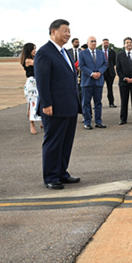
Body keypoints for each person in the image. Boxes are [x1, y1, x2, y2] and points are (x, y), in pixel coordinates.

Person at [34, 19, 82, 189]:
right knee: (53, 143)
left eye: (69, 31)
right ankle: (51, 177)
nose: (68, 34)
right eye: (65, 31)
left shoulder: (65, 52)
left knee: (66, 143)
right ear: (53, 32)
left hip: (69, 105)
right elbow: (42, 81)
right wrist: (46, 104)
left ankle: (62, 173)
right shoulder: (44, 52)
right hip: (54, 107)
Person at [78, 36, 107, 130]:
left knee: (98, 103)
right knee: (86, 103)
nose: (93, 43)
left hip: (98, 81)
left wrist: (100, 72)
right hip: (87, 82)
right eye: (91, 41)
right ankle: (87, 122)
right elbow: (82, 66)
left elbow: (105, 64)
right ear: (88, 43)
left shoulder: (100, 53)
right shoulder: (82, 53)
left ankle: (98, 122)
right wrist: (91, 74)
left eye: (95, 41)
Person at [20, 43, 41, 135]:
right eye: (33, 49)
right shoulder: (28, 60)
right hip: (32, 83)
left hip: (39, 81)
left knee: (41, 102)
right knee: (32, 103)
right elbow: (39, 64)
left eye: (35, 48)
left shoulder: (35, 58)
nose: (35, 50)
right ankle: (32, 124)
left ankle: (42, 121)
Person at [101, 38, 117, 108]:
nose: (106, 44)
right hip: (101, 72)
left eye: (107, 43)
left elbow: (115, 62)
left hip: (110, 72)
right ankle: (98, 103)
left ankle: (111, 103)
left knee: (110, 88)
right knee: (99, 89)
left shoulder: (112, 52)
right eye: (104, 43)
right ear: (102, 44)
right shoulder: (99, 52)